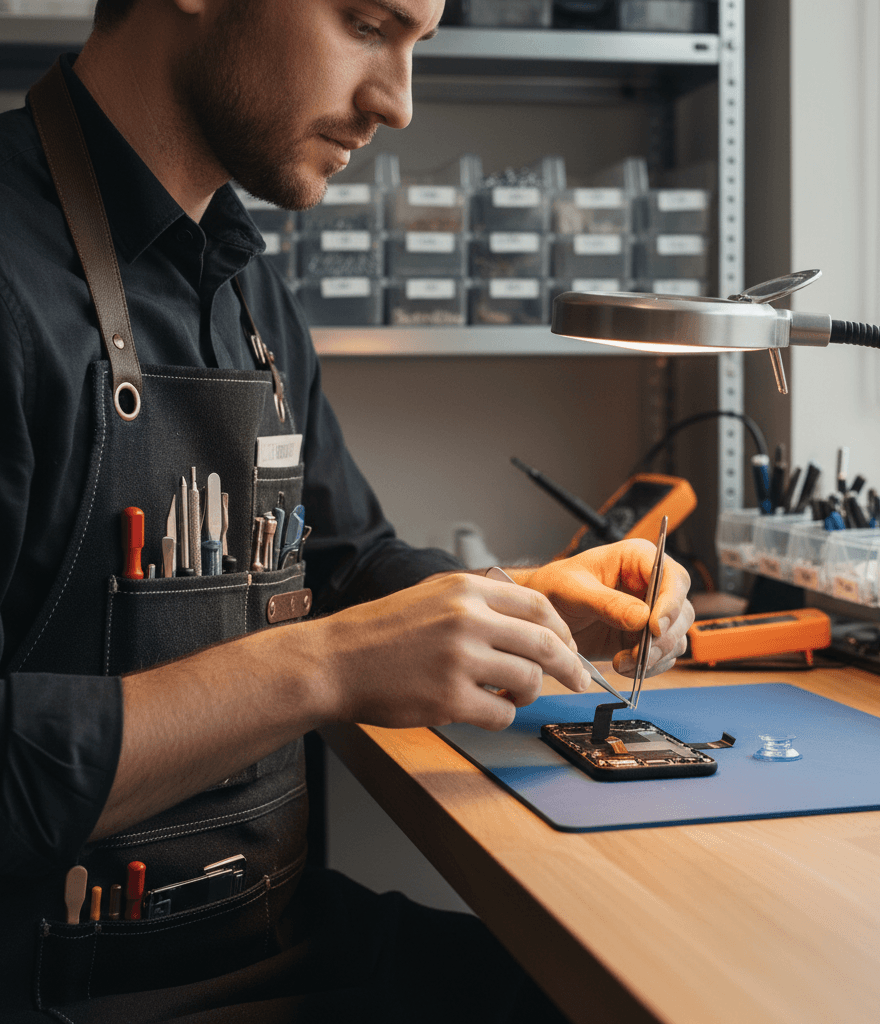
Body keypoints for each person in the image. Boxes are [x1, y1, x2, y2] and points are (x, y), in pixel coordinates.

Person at [0, 0, 695, 1019]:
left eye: (417, 44)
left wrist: (517, 602)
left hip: (274, 941)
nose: (398, 103)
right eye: (367, 24)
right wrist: (322, 666)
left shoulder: (245, 288)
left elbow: (344, 559)